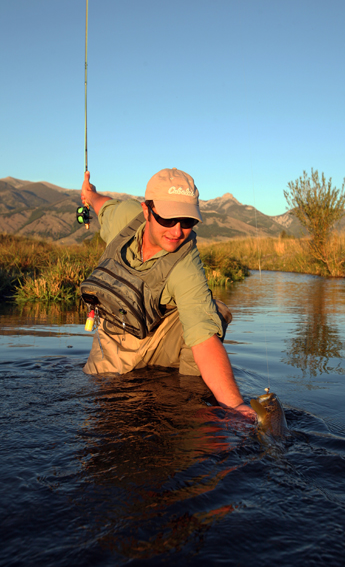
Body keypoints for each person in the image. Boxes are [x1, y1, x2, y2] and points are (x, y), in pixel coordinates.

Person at [80, 167, 255, 419]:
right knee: (105, 402)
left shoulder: (186, 264)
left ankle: (184, 399)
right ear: (146, 211)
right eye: (167, 219)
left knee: (213, 312)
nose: (177, 231)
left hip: (155, 334)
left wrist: (235, 406)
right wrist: (89, 193)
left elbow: (204, 338)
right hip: (113, 335)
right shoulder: (125, 216)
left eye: (187, 222)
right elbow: (102, 205)